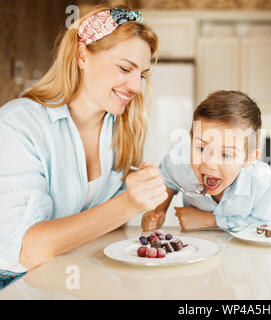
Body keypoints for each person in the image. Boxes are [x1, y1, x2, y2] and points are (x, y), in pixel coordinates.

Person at [0, 5, 168, 289]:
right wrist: (128, 204)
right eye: (125, 68)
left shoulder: (121, 128)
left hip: (71, 278)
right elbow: (27, 250)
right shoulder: (19, 124)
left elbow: (104, 225)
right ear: (82, 56)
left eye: (141, 74)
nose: (136, 86)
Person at [141, 90, 271, 232]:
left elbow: (263, 226)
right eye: (201, 148)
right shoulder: (180, 162)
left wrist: (212, 221)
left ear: (248, 158)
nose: (209, 163)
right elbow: (168, 177)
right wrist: (158, 212)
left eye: (226, 155)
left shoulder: (261, 180)